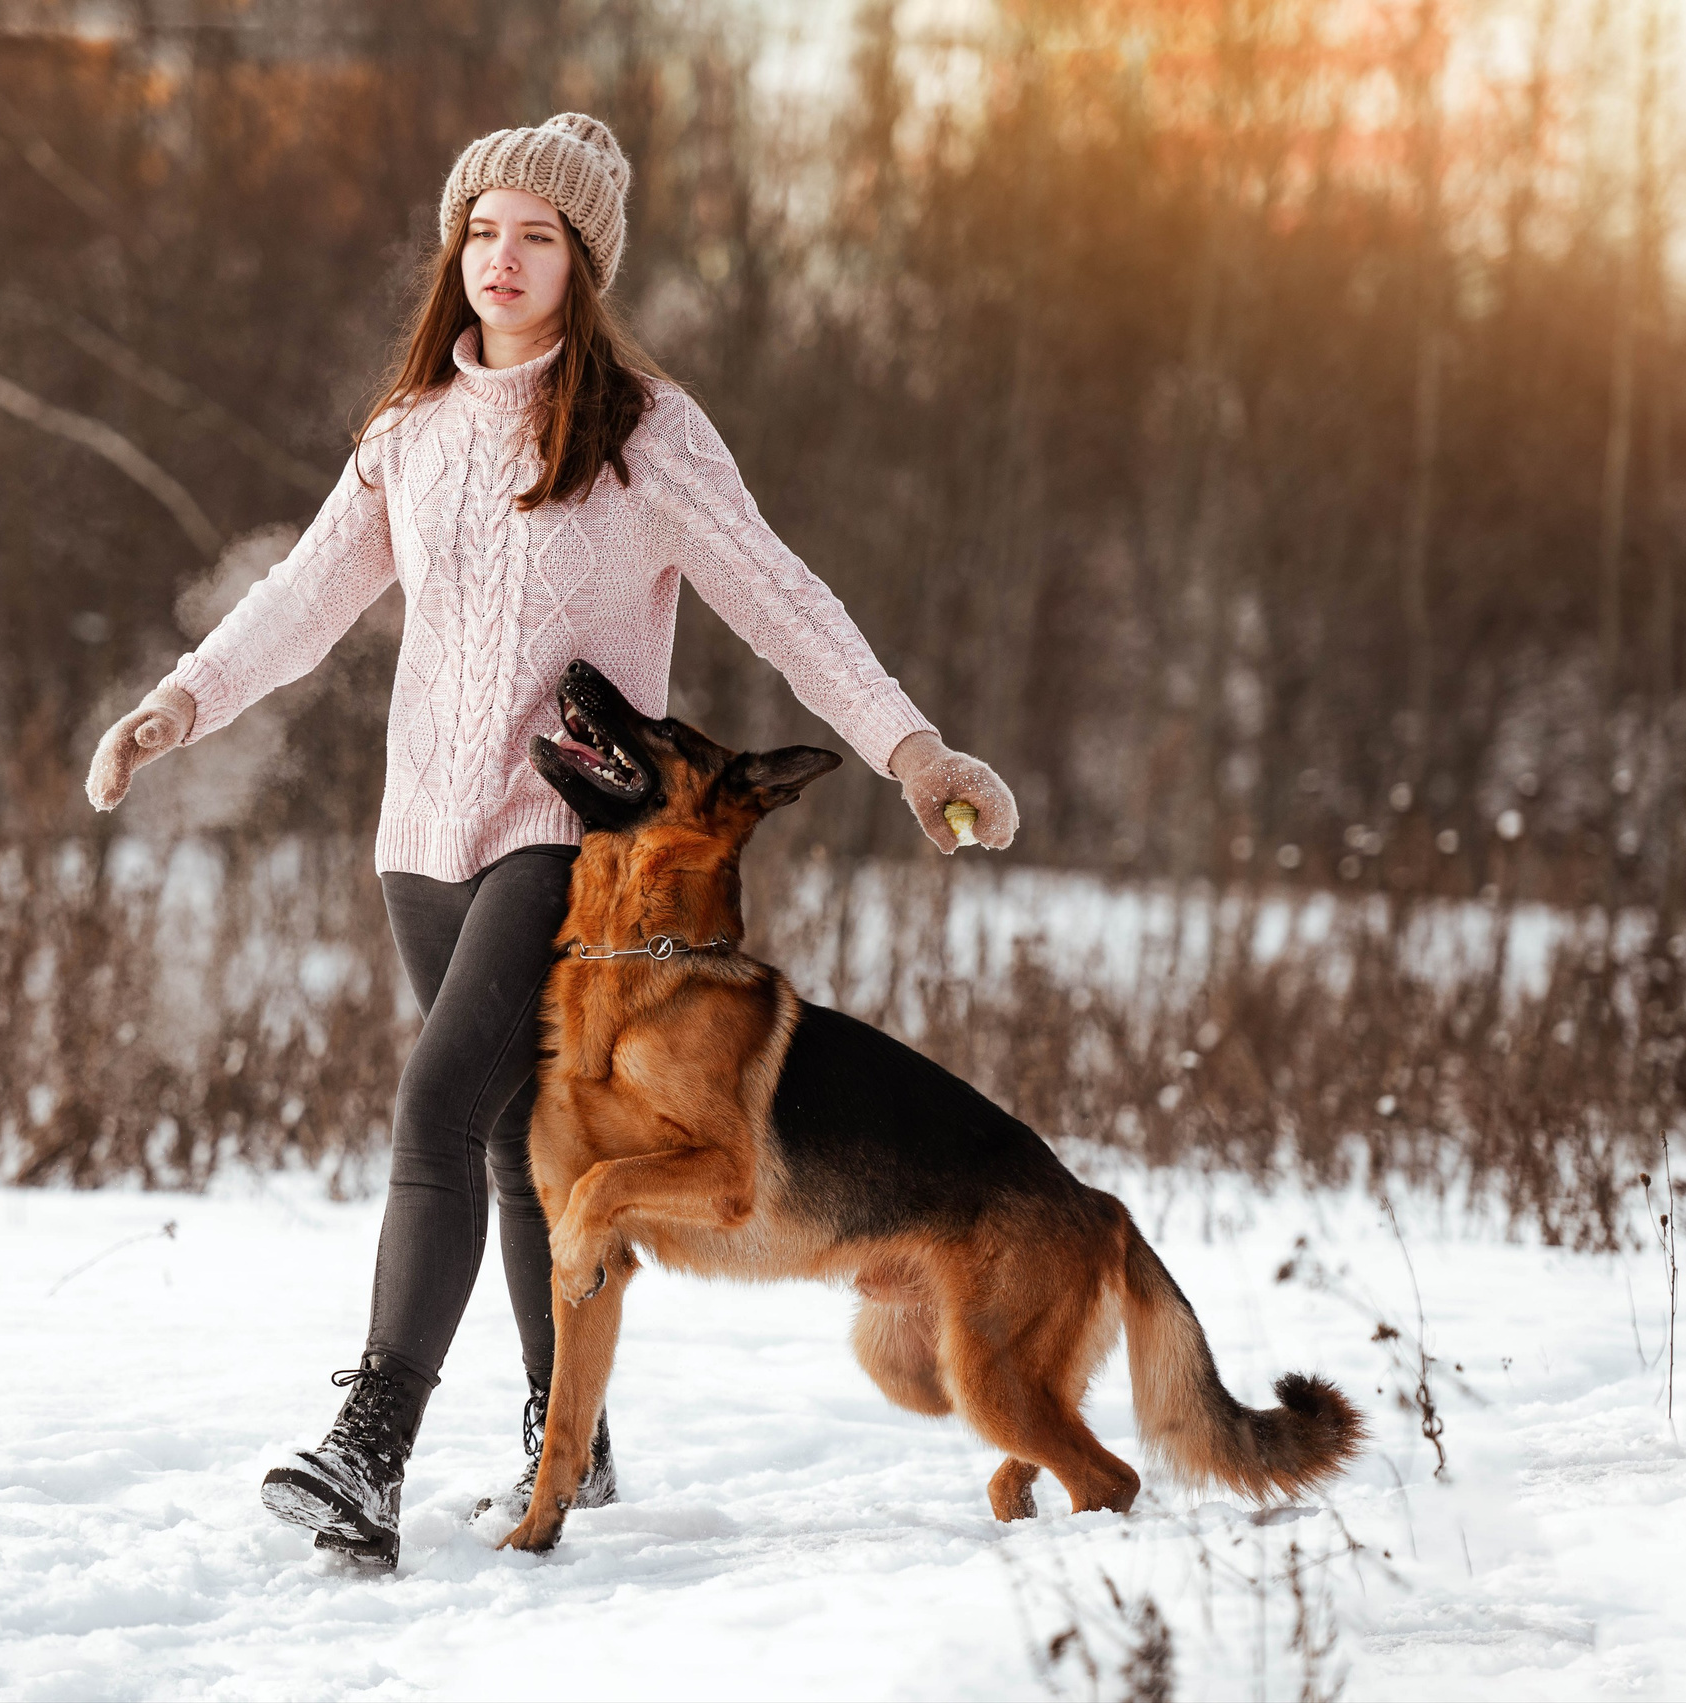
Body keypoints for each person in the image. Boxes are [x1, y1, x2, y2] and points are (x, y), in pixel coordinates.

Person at [86, 113, 1017, 1568]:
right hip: (419, 831)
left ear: (585, 264)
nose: (502, 259)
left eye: (537, 236)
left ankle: (369, 1447)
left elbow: (785, 599)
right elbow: (304, 598)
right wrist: (179, 703)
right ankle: (562, 1434)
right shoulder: (409, 431)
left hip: (562, 832)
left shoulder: (645, 430)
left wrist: (913, 748)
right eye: (482, 231)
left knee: (438, 1104)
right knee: (524, 1138)